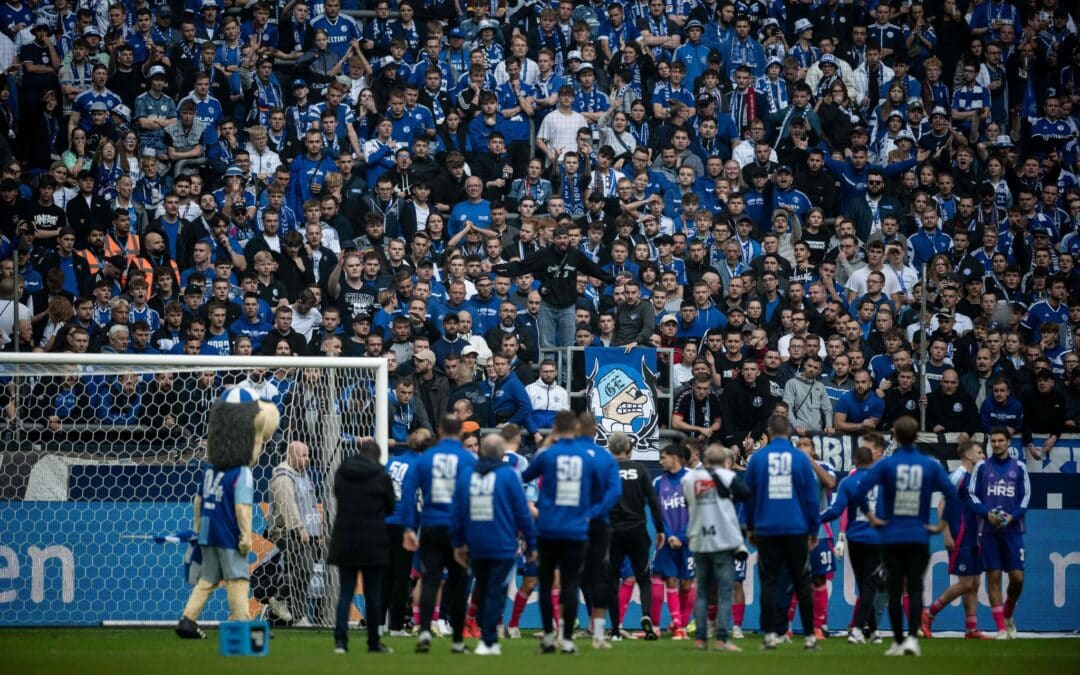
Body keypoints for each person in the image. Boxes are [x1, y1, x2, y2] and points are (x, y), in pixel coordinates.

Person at [852, 416, 959, 656]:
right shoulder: (929, 464)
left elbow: (860, 491)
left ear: (896, 438)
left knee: (893, 590)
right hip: (918, 534)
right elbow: (952, 494)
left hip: (891, 535)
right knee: (915, 586)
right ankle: (912, 638)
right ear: (917, 436)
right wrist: (941, 524)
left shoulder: (885, 465)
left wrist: (873, 518)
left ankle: (899, 641)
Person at [521, 410, 609, 654]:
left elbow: (525, 476)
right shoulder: (587, 457)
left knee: (547, 585)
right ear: (577, 429)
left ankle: (549, 637)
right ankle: (568, 639)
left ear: (556, 428)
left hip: (548, 528)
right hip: (576, 529)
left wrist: (548, 443)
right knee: (571, 584)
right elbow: (599, 490)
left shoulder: (547, 455)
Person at [450, 433, 537, 656]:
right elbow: (522, 513)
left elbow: (457, 512)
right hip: (502, 543)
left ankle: (478, 636)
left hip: (475, 543)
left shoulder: (467, 474)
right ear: (500, 453)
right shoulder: (509, 475)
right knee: (495, 591)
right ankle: (488, 639)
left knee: (482, 587)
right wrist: (532, 544)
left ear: (480, 452)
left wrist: (458, 542)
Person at [397, 415, 477, 653]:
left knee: (430, 578)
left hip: (431, 525)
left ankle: (423, 633)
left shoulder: (426, 458)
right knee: (458, 582)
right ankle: (458, 641)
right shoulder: (467, 459)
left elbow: (408, 491)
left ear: (440, 431)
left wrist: (409, 527)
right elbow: (471, 496)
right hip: (456, 528)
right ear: (461, 433)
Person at [743, 414, 820, 651]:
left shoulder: (757, 459)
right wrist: (813, 529)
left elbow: (749, 497)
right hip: (796, 528)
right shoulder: (800, 459)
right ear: (789, 432)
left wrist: (750, 526)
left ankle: (769, 637)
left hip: (766, 528)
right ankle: (809, 637)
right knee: (801, 582)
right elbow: (811, 499)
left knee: (768, 583)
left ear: (768, 432)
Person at [494, 225, 615, 347]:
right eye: (559, 238)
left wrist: (614, 280)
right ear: (553, 239)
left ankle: (567, 367)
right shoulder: (543, 254)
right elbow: (521, 267)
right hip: (547, 305)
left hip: (568, 306)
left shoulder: (576, 255)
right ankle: (548, 366)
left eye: (565, 238)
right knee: (547, 345)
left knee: (568, 345)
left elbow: (594, 270)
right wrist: (495, 269)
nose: (563, 241)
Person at [328, 439, 395, 654]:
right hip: (373, 541)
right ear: (376, 456)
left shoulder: (343, 472)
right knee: (372, 595)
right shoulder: (381, 476)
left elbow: (336, 494)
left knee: (345, 592)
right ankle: (373, 643)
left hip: (345, 539)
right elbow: (391, 506)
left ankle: (340, 642)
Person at [681, 444, 750, 652]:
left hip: (699, 539)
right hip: (723, 540)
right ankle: (721, 639)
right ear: (724, 460)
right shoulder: (728, 477)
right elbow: (746, 495)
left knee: (701, 591)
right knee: (725, 591)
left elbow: (687, 503)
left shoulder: (689, 478)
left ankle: (701, 639)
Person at [922, 438, 992, 640]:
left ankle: (971, 629)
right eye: (980, 452)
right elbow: (941, 504)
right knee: (965, 583)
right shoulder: (958, 476)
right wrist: (946, 533)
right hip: (959, 534)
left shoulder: (976, 477)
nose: (983, 456)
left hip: (974, 534)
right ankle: (929, 613)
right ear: (969, 455)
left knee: (976, 582)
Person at [969, 427, 1030, 640]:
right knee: (993, 578)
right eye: (993, 441)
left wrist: (1012, 517)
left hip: (1013, 531)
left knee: (1017, 578)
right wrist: (988, 514)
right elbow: (972, 496)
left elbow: (1025, 499)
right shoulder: (982, 467)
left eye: (1000, 441)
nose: (996, 444)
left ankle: (1008, 613)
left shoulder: (1019, 468)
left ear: (1008, 442)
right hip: (988, 530)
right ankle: (1001, 629)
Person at [819, 444, 881, 644]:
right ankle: (862, 630)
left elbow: (836, 510)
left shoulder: (848, 482)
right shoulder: (882, 481)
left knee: (864, 584)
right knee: (869, 584)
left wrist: (815, 519)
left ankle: (870, 631)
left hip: (855, 538)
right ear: (871, 460)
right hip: (876, 538)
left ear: (855, 461)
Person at [606, 431, 664, 640]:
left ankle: (614, 629)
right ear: (629, 452)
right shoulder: (640, 469)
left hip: (614, 531)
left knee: (612, 579)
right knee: (643, 577)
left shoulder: (608, 469)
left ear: (610, 449)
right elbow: (652, 501)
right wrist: (660, 529)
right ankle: (646, 615)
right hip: (638, 529)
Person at [268, 440, 321, 625]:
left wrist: (316, 532)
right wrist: (299, 529)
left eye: (307, 455)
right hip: (287, 532)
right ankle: (280, 599)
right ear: (290, 456)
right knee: (304, 569)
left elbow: (310, 505)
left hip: (305, 532)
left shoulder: (302, 474)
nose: (307, 459)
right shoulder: (283, 476)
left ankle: (298, 616)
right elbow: (287, 507)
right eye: (303, 455)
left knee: (299, 571)